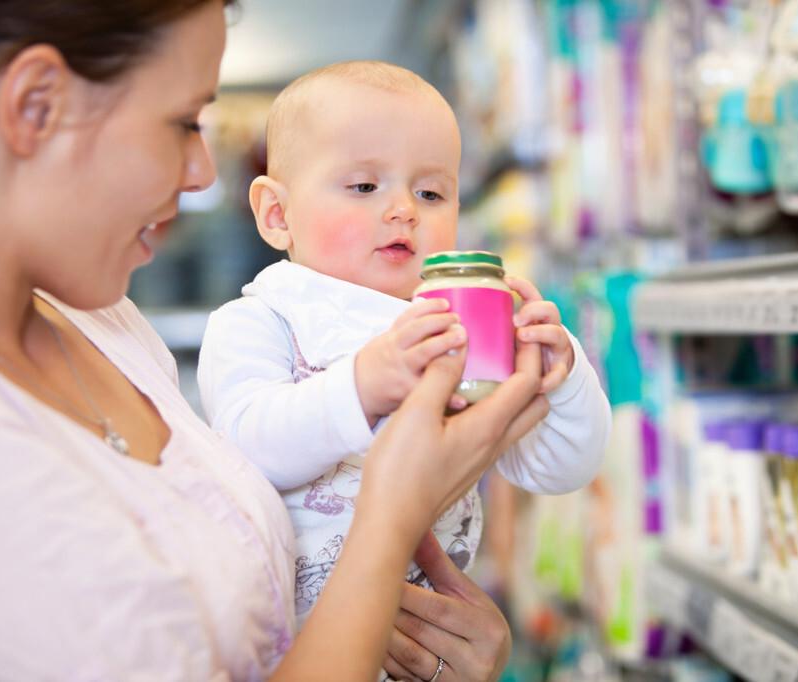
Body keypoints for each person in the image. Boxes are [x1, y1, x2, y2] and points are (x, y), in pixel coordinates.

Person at [0, 2, 552, 680]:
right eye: (183, 122)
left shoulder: (98, 322)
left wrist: (431, 650)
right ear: (35, 106)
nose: (205, 170)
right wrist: (391, 516)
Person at [196, 60, 610, 663]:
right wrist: (361, 388)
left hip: (430, 639)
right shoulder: (264, 318)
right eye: (364, 187)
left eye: (431, 192)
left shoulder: (457, 328)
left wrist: (563, 377)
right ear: (277, 214)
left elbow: (558, 469)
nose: (403, 210)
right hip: (296, 644)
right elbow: (243, 445)